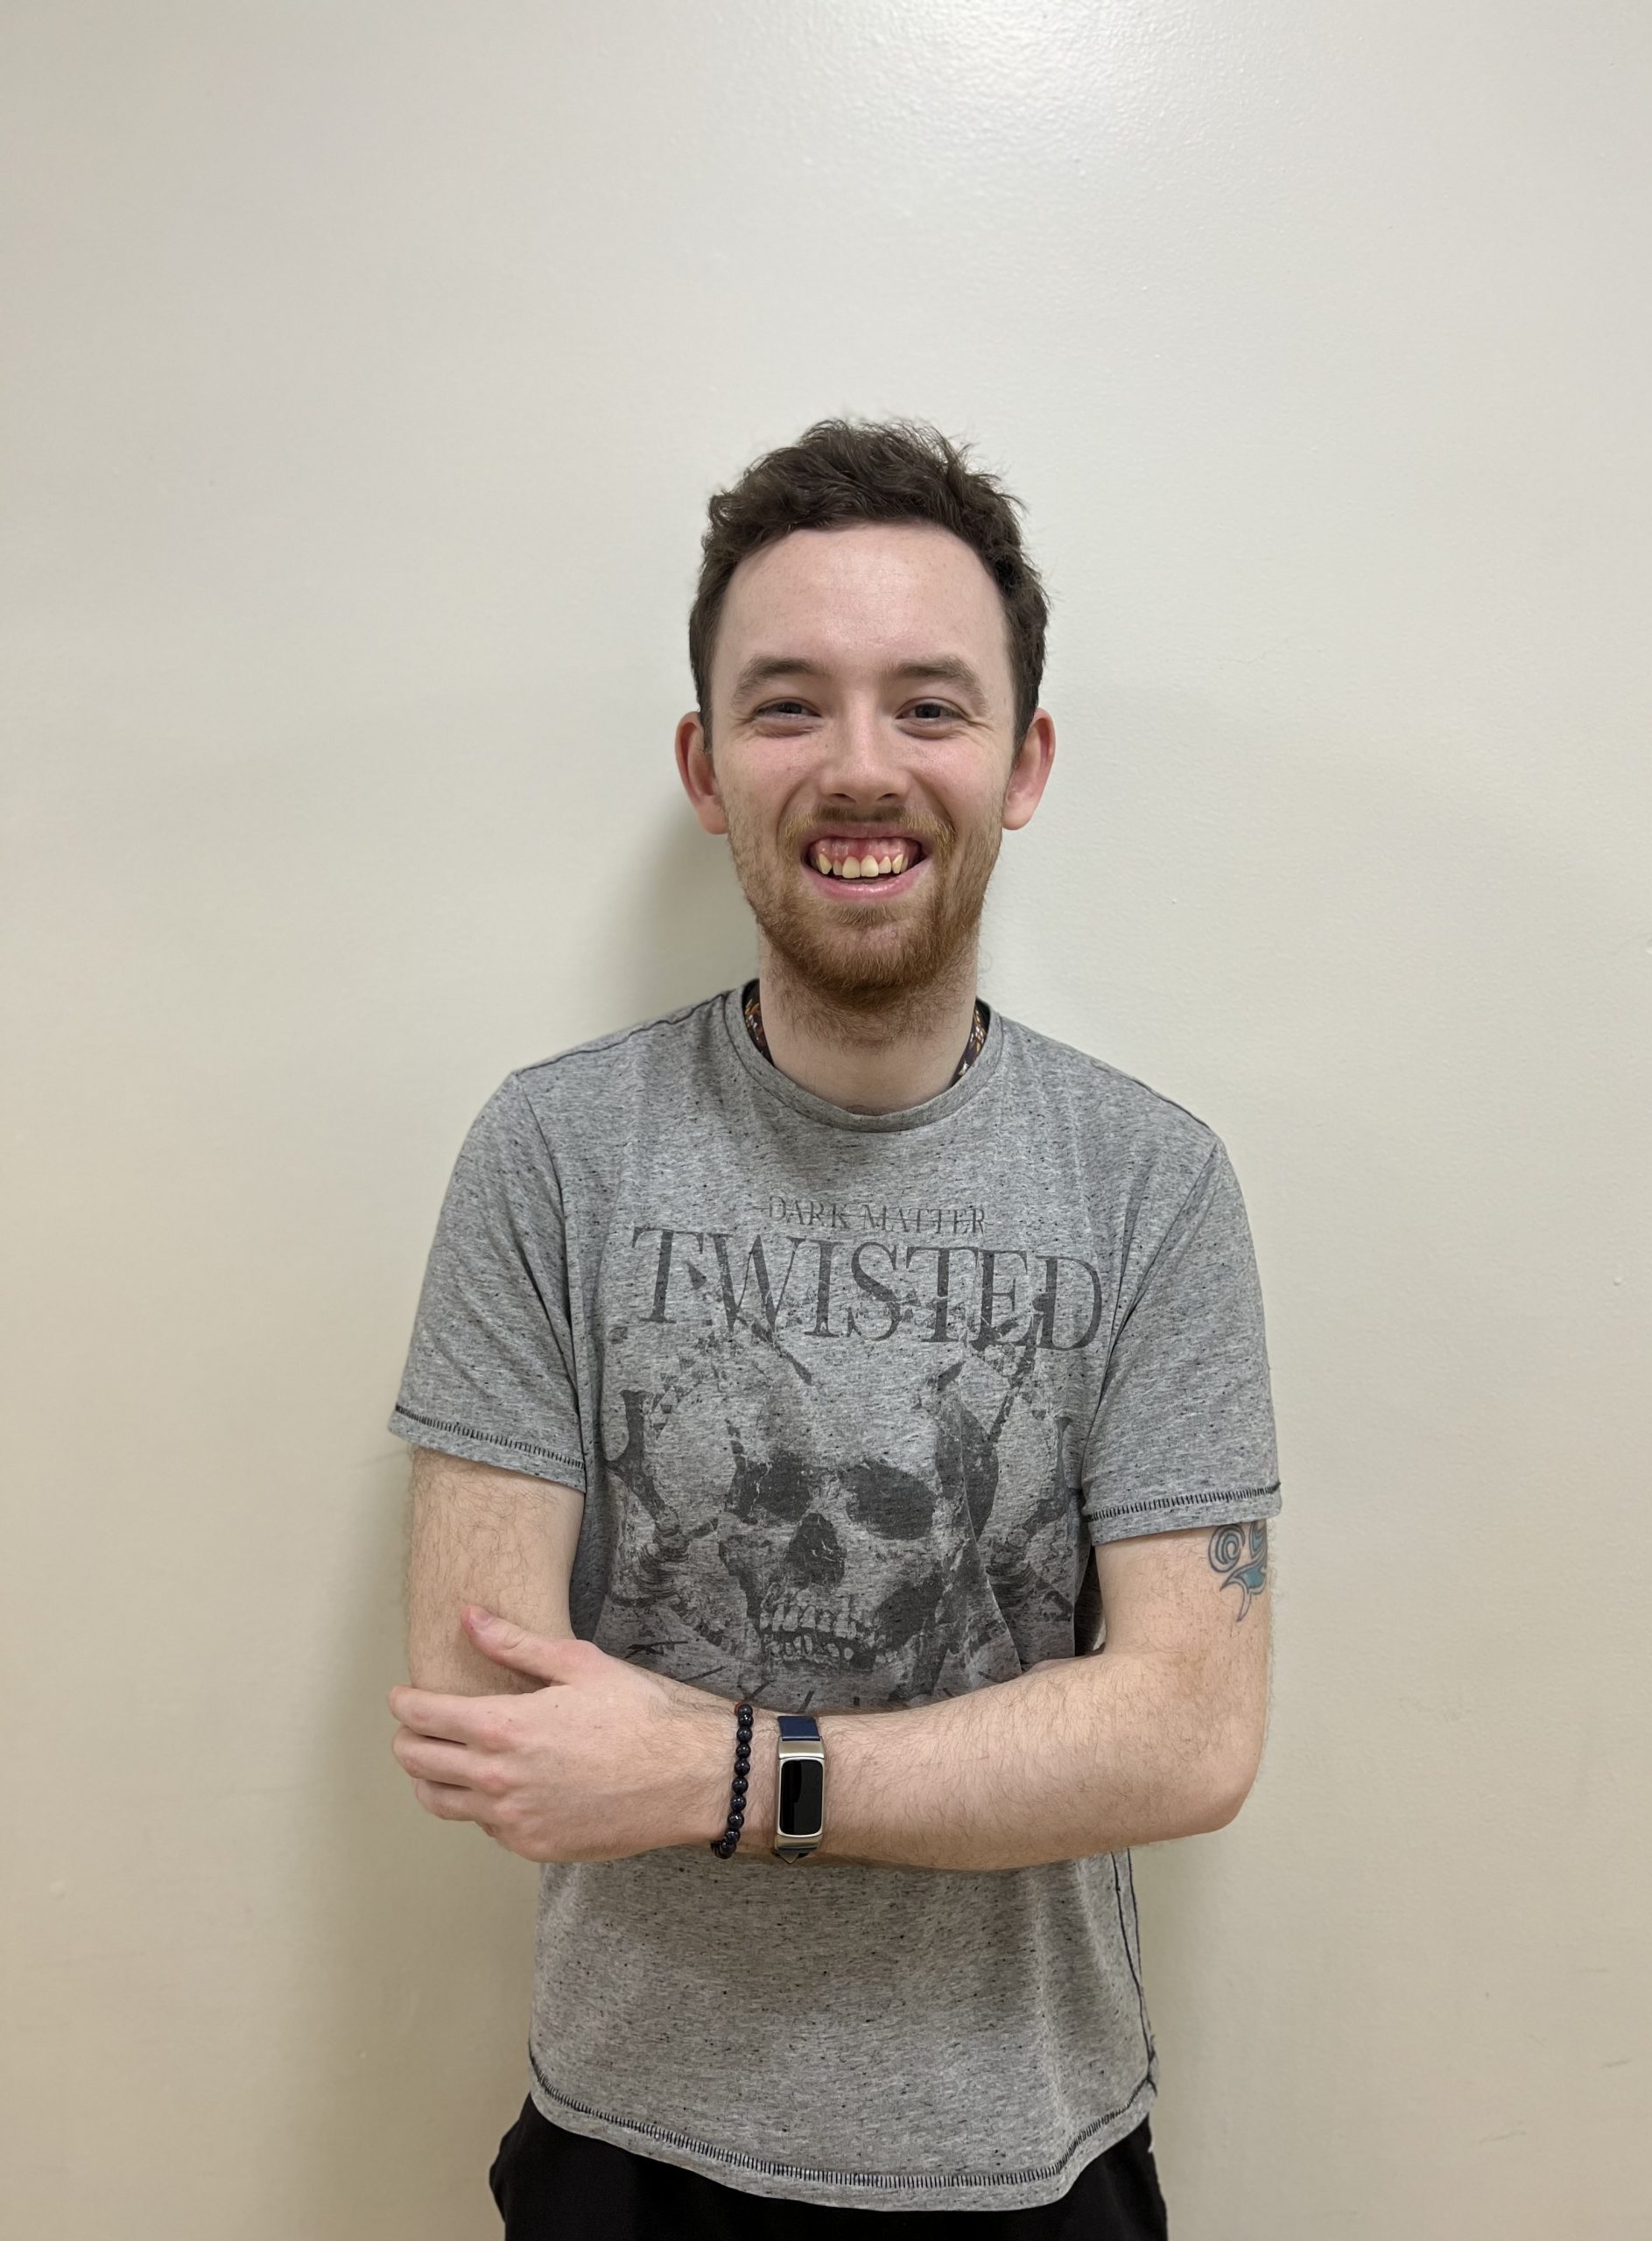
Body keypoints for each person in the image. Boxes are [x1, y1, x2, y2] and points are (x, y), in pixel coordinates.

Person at [385, 417, 1280, 2237]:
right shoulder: (554, 1156)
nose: (860, 767)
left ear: (1022, 762)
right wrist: (987, 1747)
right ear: (707, 764)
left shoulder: (1150, 1181)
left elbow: (1191, 1729)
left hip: (1030, 2154)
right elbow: (487, 1710)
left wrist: (718, 1766)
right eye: (790, 705)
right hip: (631, 2149)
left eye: (929, 706)